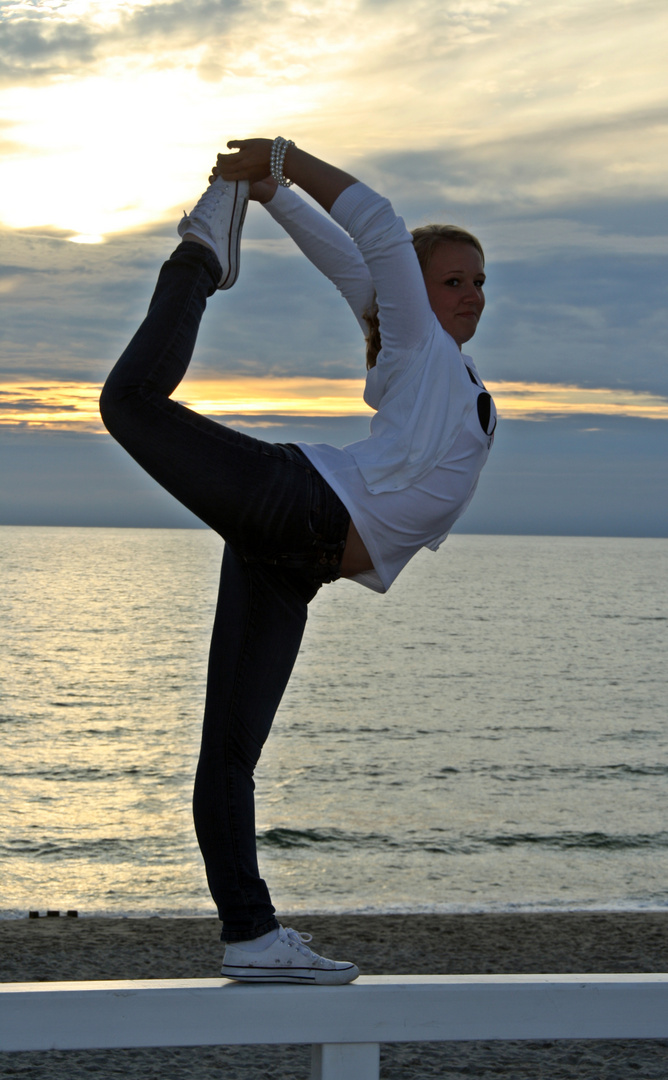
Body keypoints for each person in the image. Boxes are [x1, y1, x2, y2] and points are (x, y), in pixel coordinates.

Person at [99, 136, 496, 985]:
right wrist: (285, 161)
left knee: (230, 753)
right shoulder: (419, 345)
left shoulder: (423, 355)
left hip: (294, 558)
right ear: (419, 295)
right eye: (454, 279)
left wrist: (273, 195)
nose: (473, 295)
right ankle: (202, 255)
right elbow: (375, 233)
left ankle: (251, 936)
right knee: (128, 402)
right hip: (298, 500)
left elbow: (350, 268)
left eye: (480, 281)